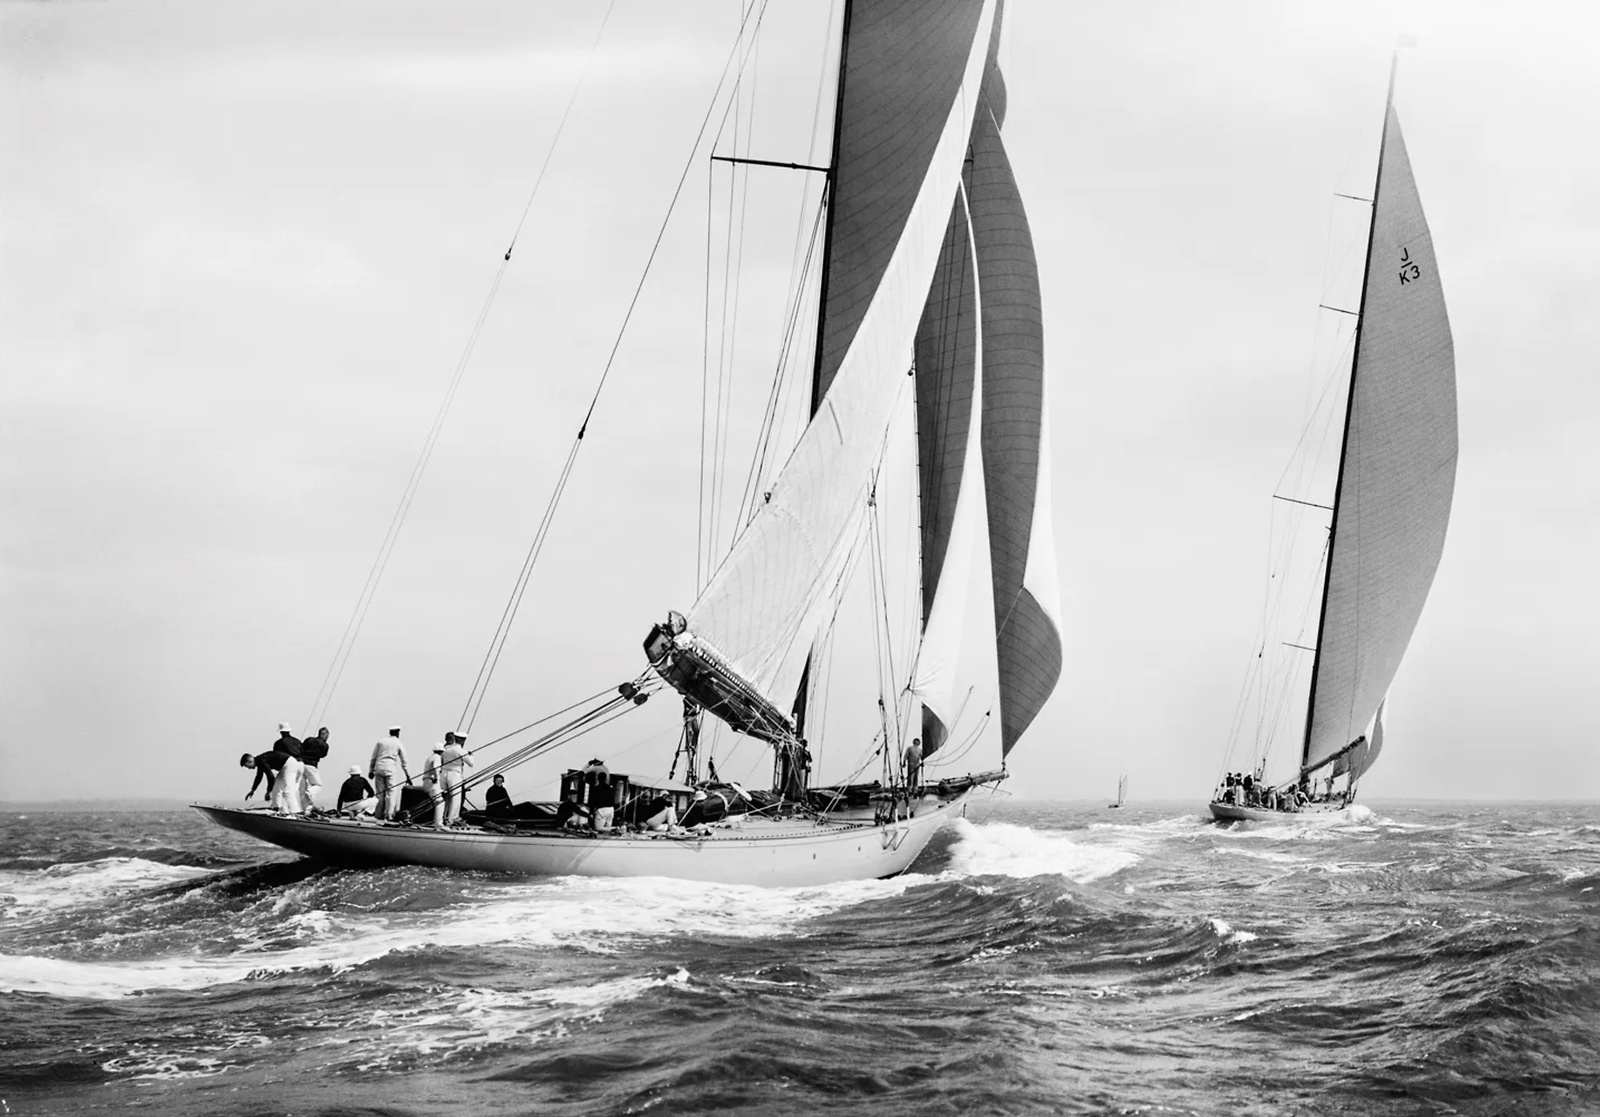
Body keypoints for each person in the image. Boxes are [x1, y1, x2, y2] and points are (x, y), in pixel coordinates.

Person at [369, 726, 411, 820]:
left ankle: (378, 815)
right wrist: (408, 776)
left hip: (378, 768)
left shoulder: (381, 741)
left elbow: (373, 757)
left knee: (379, 794)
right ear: (398, 733)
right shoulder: (398, 744)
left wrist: (371, 770)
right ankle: (389, 816)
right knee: (391, 793)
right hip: (390, 769)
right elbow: (404, 762)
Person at [439, 732, 474, 826]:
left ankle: (441, 817)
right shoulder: (461, 751)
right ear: (463, 740)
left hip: (443, 774)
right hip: (454, 775)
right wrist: (471, 755)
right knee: (455, 797)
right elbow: (471, 764)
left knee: (444, 798)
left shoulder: (445, 749)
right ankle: (452, 819)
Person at [424, 744, 447, 828]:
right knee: (440, 801)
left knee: (436, 801)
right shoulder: (437, 757)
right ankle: (438, 823)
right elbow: (436, 768)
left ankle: (436, 821)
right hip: (432, 781)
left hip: (426, 781)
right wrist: (436, 778)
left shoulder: (430, 757)